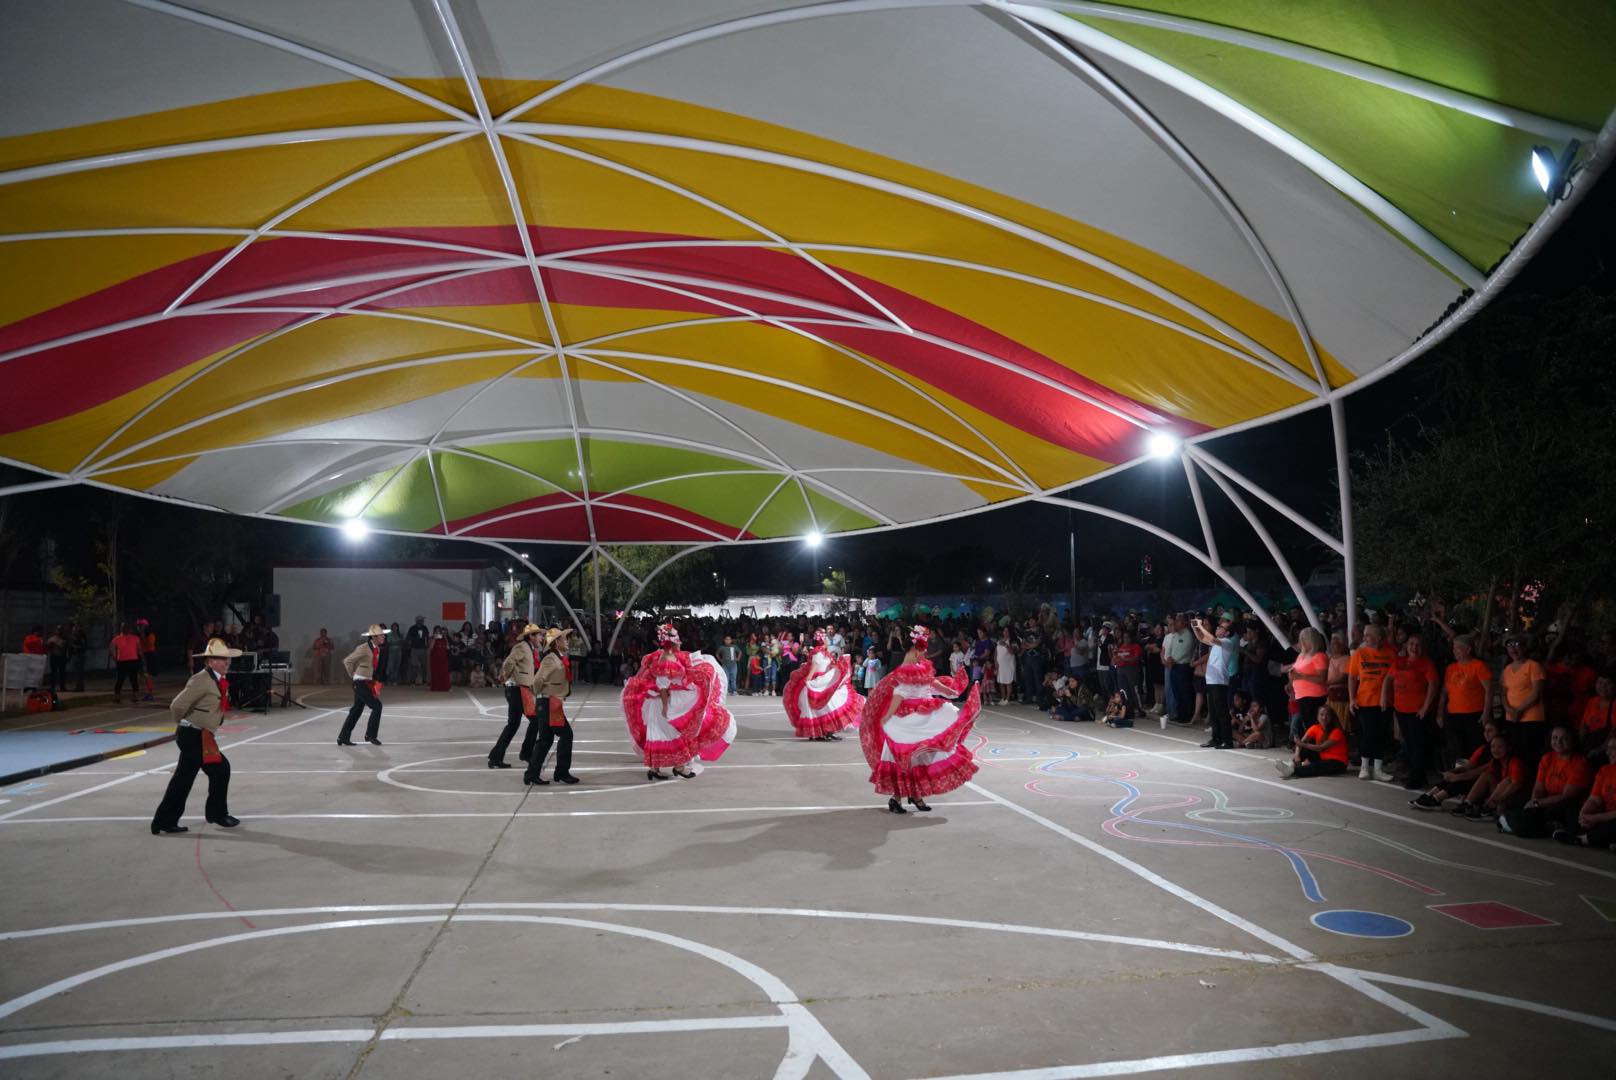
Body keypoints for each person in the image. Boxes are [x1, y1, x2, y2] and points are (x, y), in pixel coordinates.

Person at [860, 625, 980, 813]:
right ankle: (897, 798)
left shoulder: (920, 667)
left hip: (922, 718)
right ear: (915, 649)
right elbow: (900, 695)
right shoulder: (906, 669)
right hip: (905, 722)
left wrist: (953, 690)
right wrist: (887, 717)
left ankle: (915, 796)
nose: (925, 653)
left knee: (921, 755)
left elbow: (932, 684)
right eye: (923, 650)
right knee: (904, 758)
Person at [150, 638, 242, 835]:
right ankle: (217, 813)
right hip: (193, 735)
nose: (227, 662)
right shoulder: (201, 679)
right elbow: (177, 705)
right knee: (221, 769)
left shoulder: (216, 679)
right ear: (209, 661)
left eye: (227, 659)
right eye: (221, 658)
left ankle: (164, 821)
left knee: (183, 779)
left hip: (201, 734)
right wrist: (184, 723)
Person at [622, 624, 735, 780]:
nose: (681, 642)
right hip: (664, 702)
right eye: (678, 639)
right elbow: (662, 684)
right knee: (672, 734)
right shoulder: (666, 658)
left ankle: (655, 769)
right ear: (672, 642)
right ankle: (679, 766)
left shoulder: (668, 656)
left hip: (663, 701)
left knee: (658, 734)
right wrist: (665, 706)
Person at [1499, 726, 1590, 839]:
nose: (1558, 742)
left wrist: (1538, 803)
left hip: (1565, 806)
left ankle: (1513, 823)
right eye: (1555, 738)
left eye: (1564, 738)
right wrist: (1534, 803)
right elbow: (1538, 789)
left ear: (1572, 740)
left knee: (1529, 819)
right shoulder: (1547, 758)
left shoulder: (1580, 763)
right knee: (1519, 802)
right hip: (1545, 802)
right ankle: (1535, 825)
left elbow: (1566, 796)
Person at [784, 629, 864, 742]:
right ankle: (820, 733)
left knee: (829, 707)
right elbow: (814, 667)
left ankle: (827, 731)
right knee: (825, 708)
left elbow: (829, 666)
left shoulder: (824, 652)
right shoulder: (818, 653)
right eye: (825, 638)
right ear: (822, 640)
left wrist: (840, 668)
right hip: (818, 683)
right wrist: (808, 680)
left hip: (824, 682)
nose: (826, 640)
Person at [525, 628, 579, 786]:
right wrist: (538, 695)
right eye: (564, 639)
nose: (567, 641)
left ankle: (531, 774)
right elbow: (538, 680)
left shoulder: (559, 658)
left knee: (545, 740)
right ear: (556, 642)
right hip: (549, 703)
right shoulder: (550, 659)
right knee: (566, 735)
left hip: (550, 702)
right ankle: (561, 772)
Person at [1409, 719, 1502, 811]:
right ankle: (1430, 794)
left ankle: (1437, 799)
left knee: (1463, 779)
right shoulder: (1483, 748)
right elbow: (1468, 766)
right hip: (1479, 781)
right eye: (1485, 731)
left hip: (1492, 786)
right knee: (1455, 776)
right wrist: (1451, 772)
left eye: (1490, 731)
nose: (1486, 733)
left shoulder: (1500, 751)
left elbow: (1481, 771)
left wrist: (1458, 777)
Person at [488, 623, 544, 769]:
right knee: (527, 722)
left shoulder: (529, 649)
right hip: (517, 690)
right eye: (538, 635)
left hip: (521, 690)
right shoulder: (522, 647)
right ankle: (522, 753)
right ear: (531, 636)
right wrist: (504, 676)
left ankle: (498, 756)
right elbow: (508, 661)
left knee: (517, 724)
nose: (541, 637)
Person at [1386, 632, 1439, 789]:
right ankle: (1416, 774)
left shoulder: (1427, 663)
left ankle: (1417, 777)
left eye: (1417, 645)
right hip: (1401, 708)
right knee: (1409, 743)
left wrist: (1425, 706)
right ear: (1406, 646)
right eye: (1411, 644)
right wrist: (1385, 698)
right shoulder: (1399, 661)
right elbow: (1388, 679)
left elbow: (1433, 685)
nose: (1414, 647)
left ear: (1422, 648)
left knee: (1417, 744)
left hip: (1417, 710)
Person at [1347, 624, 1397, 781]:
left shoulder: (1390, 654)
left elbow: (1394, 677)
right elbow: (1351, 677)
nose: (1364, 637)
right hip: (1365, 700)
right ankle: (1364, 767)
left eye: (1368, 635)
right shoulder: (1359, 653)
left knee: (1381, 734)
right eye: (1364, 634)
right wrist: (1351, 698)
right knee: (1368, 734)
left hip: (1385, 701)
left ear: (1379, 637)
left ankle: (1378, 769)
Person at [1553, 731, 1616, 850]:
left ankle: (1582, 839)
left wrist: (1597, 818)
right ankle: (1601, 839)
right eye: (1608, 748)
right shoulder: (1605, 770)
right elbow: (1594, 799)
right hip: (1603, 816)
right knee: (1571, 810)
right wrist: (1584, 814)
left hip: (1610, 819)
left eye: (1613, 749)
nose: (1608, 752)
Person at [1449, 732, 1527, 822]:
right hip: (1500, 797)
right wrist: (1457, 776)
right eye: (1493, 747)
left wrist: (1499, 798)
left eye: (1500, 747)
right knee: (1486, 775)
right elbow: (1476, 773)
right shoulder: (1495, 762)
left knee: (1507, 781)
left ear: (1508, 748)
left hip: (1516, 798)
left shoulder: (1515, 762)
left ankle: (1488, 809)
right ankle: (1468, 804)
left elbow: (1516, 784)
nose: (1495, 750)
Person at [1439, 634, 1492, 763]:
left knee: (1475, 747)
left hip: (1474, 714)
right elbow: (1444, 693)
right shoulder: (1450, 668)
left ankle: (1474, 777)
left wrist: (1486, 713)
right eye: (1454, 648)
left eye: (1458, 648)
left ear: (1468, 649)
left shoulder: (1478, 666)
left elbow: (1489, 690)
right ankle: (1460, 775)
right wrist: (1439, 713)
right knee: (1457, 748)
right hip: (1453, 714)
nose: (1454, 651)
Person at [1191, 614, 1238, 749]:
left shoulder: (1227, 642)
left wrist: (1200, 626)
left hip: (1219, 681)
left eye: (1221, 628)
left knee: (1222, 712)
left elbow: (1210, 638)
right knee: (1213, 711)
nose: (1218, 628)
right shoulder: (1217, 641)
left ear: (1227, 633)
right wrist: (1195, 627)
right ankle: (1215, 738)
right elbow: (1201, 638)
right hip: (1211, 680)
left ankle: (1227, 740)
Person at [1499, 635, 1548, 765]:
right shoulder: (1507, 669)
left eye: (1516, 644)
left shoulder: (1534, 666)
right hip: (1511, 718)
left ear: (1525, 647)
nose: (1513, 648)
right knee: (1515, 754)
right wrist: (1509, 710)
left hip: (1531, 718)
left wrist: (1519, 710)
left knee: (1530, 754)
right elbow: (1503, 693)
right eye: (1509, 645)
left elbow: (1536, 693)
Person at [338, 624, 387, 746]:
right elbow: (347, 661)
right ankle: (370, 735)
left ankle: (343, 737)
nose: (384, 637)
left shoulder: (377, 648)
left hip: (368, 681)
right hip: (360, 682)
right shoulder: (364, 647)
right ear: (374, 637)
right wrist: (352, 675)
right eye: (381, 635)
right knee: (377, 706)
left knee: (356, 710)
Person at [1274, 703, 1348, 779]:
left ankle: (1292, 771)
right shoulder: (1315, 728)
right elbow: (1301, 743)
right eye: (1321, 715)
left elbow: (1320, 748)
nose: (1324, 717)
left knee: (1317, 766)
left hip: (1338, 763)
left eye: (1327, 715)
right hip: (1322, 758)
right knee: (1304, 748)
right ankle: (1293, 764)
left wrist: (1302, 744)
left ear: (1331, 717)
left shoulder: (1337, 731)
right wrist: (1297, 755)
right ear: (1317, 717)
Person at [1284, 628, 1328, 748]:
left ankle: (1314, 752)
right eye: (1301, 639)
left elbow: (1322, 679)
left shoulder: (1319, 656)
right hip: (1301, 694)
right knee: (1306, 724)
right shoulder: (1302, 655)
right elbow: (1295, 671)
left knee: (1312, 725)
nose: (1302, 642)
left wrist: (1300, 676)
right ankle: (1309, 752)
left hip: (1314, 695)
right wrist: (1290, 682)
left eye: (1305, 639)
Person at [1578, 676, 1616, 759]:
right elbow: (1583, 726)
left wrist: (1599, 750)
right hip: (1590, 742)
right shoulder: (1592, 701)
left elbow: (1614, 733)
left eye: (1608, 683)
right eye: (1600, 682)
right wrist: (1579, 745)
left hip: (1607, 747)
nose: (1603, 686)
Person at [109, 622, 144, 703]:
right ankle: (119, 697)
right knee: (124, 679)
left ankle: (132, 696)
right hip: (125, 661)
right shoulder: (118, 638)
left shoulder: (132, 638)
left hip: (129, 661)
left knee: (130, 679)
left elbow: (139, 649)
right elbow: (111, 649)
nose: (126, 629)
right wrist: (115, 658)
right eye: (124, 627)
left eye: (127, 627)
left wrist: (115, 658)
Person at [404, 615, 429, 685]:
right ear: (417, 621)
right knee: (414, 665)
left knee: (424, 665)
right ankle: (412, 681)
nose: (422, 621)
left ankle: (424, 681)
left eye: (422, 620)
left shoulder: (425, 628)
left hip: (423, 649)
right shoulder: (412, 628)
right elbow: (408, 638)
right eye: (421, 620)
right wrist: (414, 639)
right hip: (414, 649)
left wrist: (427, 646)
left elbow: (427, 637)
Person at [428, 626, 451, 692]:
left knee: (444, 672)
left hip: (443, 658)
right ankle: (435, 687)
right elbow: (430, 648)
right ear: (434, 631)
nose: (438, 632)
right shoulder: (431, 638)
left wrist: (445, 638)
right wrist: (434, 639)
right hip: (435, 658)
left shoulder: (444, 638)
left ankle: (445, 687)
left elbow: (447, 648)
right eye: (436, 631)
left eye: (439, 631)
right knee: (435, 672)